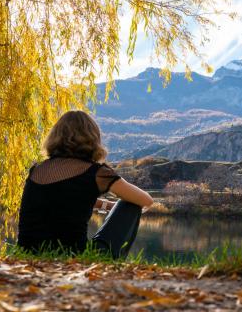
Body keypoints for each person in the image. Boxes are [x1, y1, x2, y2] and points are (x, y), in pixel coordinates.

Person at [17, 110, 154, 258]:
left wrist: (104, 205)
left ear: (55, 137)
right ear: (93, 138)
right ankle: (112, 260)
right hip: (74, 255)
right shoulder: (97, 172)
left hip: (27, 251)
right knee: (131, 204)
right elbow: (146, 201)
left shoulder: (37, 169)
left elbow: (64, 197)